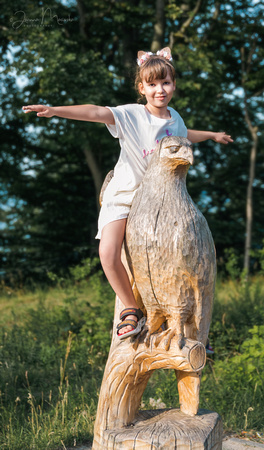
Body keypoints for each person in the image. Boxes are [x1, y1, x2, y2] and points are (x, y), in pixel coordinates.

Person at [23, 47, 233, 340]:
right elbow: (96, 111)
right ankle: (130, 310)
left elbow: (185, 134)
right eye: (152, 84)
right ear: (141, 87)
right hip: (126, 195)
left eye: (166, 83)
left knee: (182, 255)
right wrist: (56, 110)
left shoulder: (175, 118)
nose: (160, 90)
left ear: (174, 84)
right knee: (108, 253)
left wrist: (211, 135)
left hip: (161, 200)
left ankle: (190, 326)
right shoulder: (131, 115)